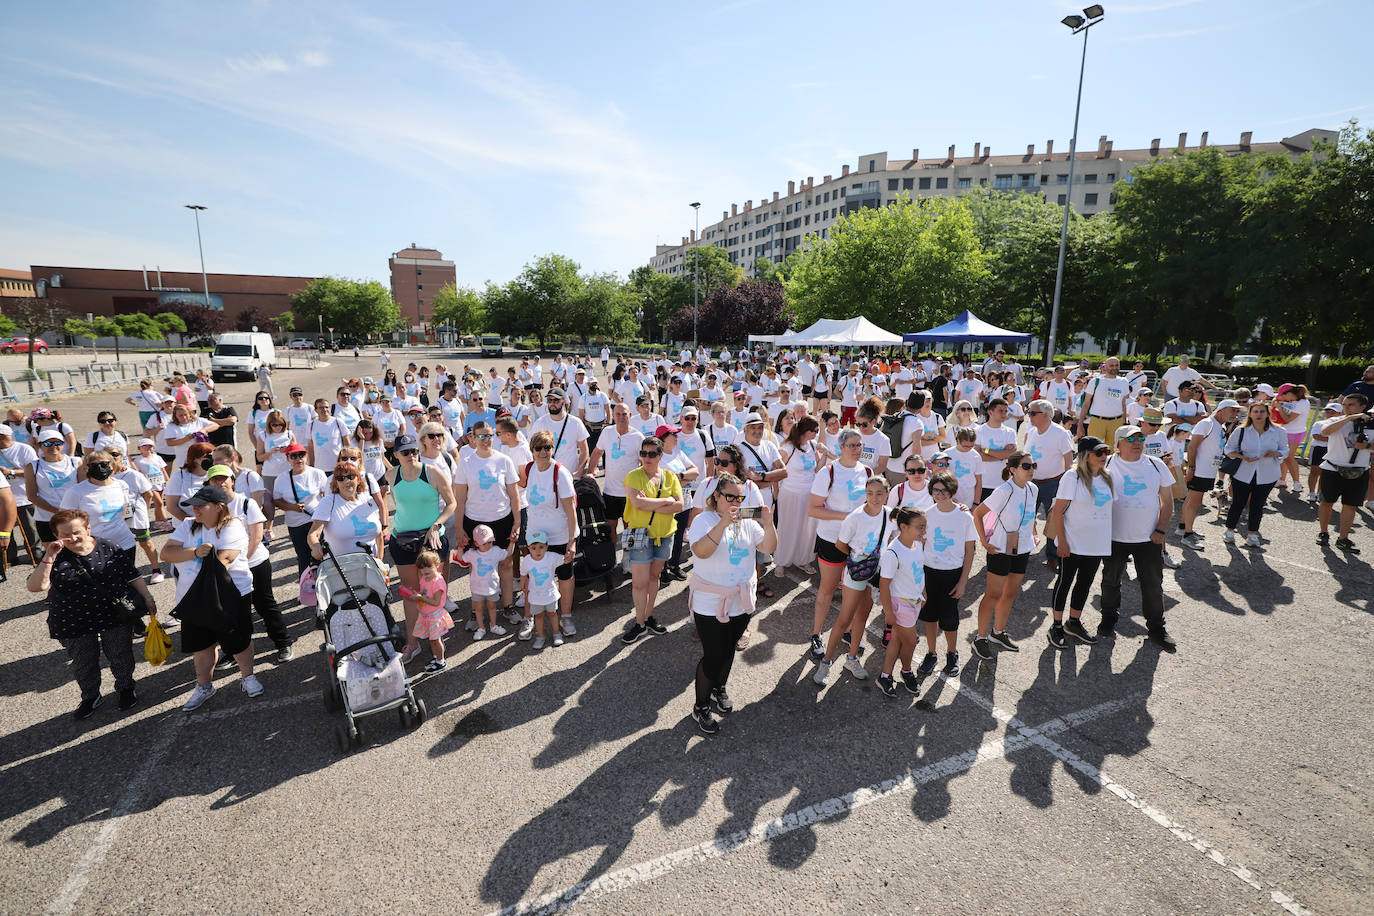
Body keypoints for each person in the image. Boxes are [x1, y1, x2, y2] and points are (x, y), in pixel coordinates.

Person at [26, 508, 157, 718]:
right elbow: (37, 587)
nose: (72, 538)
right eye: (65, 535)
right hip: (73, 620)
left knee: (120, 654)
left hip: (113, 615)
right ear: (57, 536)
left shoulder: (108, 547)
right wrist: (49, 555)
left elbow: (131, 575)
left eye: (77, 531)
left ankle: (125, 688)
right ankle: (90, 696)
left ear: (88, 528)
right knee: (83, 661)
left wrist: (147, 598)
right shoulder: (54, 556)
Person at [684, 472, 777, 734]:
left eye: (739, 497)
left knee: (728, 651)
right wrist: (723, 523)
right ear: (716, 496)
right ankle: (700, 706)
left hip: (740, 599)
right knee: (713, 655)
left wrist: (769, 525)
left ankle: (718, 689)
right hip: (710, 601)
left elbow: (769, 548)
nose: (735, 502)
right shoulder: (704, 520)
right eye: (730, 497)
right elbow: (701, 551)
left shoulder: (747, 522)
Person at [160, 485, 263, 710]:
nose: (195, 510)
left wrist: (186, 554)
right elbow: (166, 553)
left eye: (200, 506)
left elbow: (223, 561)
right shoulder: (187, 525)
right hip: (193, 597)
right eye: (193, 506)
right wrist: (194, 552)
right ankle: (204, 687)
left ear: (218, 507)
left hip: (230, 596)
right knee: (202, 646)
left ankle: (248, 678)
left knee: (238, 641)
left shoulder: (233, 526)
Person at [1099, 426, 1177, 651]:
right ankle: (1108, 620)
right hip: (1114, 538)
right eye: (1130, 438)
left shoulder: (1156, 464)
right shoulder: (1106, 465)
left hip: (1149, 539)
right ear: (1118, 444)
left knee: (1153, 585)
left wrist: (1160, 531)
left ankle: (1156, 628)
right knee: (1110, 581)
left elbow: (1167, 502)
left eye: (1140, 438)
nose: (1137, 442)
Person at [814, 476, 892, 685]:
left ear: (887, 494)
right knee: (844, 619)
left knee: (862, 617)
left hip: (876, 573)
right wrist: (856, 556)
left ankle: (852, 658)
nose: (874, 498)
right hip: (856, 572)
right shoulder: (855, 517)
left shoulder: (890, 514)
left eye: (879, 494)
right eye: (870, 493)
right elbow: (840, 544)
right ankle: (826, 662)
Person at [387, 434, 457, 648]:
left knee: (431, 589)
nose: (411, 455)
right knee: (410, 592)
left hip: (430, 540)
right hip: (402, 540)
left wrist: (436, 526)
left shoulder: (432, 473)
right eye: (406, 452)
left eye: (414, 451)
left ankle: (437, 642)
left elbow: (451, 503)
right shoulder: (391, 475)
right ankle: (412, 644)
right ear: (396, 454)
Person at [970, 451, 1039, 660]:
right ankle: (980, 638)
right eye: (1026, 466)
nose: (1031, 470)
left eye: (1033, 465)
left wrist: (1033, 533)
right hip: (999, 548)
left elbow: (1031, 514)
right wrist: (984, 541)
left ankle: (997, 633)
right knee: (993, 595)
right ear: (1013, 469)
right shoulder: (1004, 490)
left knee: (1010, 593)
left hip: (1021, 548)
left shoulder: (1033, 489)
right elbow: (978, 514)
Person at [1047, 438, 1114, 649]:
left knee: (1084, 584)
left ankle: (1073, 622)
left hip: (1096, 545)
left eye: (1105, 451)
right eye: (1098, 452)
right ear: (1085, 455)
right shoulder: (1072, 476)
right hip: (1073, 542)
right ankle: (1056, 626)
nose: (1103, 455)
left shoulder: (1108, 477)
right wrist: (1062, 542)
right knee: (1064, 582)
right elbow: (1058, 512)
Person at [620, 436, 684, 644]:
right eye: (644, 453)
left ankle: (648, 617)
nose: (647, 458)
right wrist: (666, 500)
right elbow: (637, 504)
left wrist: (651, 502)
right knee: (639, 583)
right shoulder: (633, 476)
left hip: (665, 535)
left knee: (654, 578)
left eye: (652, 454)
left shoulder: (670, 476)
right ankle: (639, 623)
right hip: (640, 536)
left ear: (660, 455)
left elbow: (679, 506)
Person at [452, 420, 522, 610]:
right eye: (481, 436)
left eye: (489, 436)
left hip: (502, 519)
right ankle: (477, 613)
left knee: (506, 564)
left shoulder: (504, 460)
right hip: (474, 521)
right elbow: (460, 500)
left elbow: (514, 496)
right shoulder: (466, 464)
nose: (486, 440)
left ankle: (508, 607)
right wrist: (459, 529)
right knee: (477, 567)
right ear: (472, 438)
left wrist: (517, 523)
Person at [518, 430, 579, 640]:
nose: (544, 452)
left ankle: (566, 616)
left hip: (559, 536)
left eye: (548, 447)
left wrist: (571, 541)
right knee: (533, 576)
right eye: (539, 448)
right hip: (535, 536)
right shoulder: (529, 468)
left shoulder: (560, 473)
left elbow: (571, 510)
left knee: (564, 576)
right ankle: (529, 617)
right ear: (532, 450)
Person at [920, 470, 975, 678]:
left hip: (952, 574)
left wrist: (963, 582)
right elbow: (921, 545)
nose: (940, 494)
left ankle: (952, 653)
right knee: (929, 616)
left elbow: (970, 551)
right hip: (929, 573)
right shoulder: (927, 514)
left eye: (944, 490)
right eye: (935, 490)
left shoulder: (964, 516)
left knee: (950, 620)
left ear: (952, 491)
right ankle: (931, 653)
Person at [875, 506, 928, 697]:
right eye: (920, 527)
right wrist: (889, 613)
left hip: (914, 601)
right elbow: (884, 585)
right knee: (911, 642)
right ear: (904, 527)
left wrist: (923, 592)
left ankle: (885, 675)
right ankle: (906, 671)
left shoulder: (918, 544)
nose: (924, 531)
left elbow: (919, 570)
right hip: (901, 604)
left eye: (924, 526)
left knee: (896, 640)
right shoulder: (892, 553)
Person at [1221, 403, 1288, 547]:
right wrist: (1241, 457)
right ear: (1250, 414)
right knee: (1238, 503)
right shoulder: (1241, 430)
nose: (1259, 414)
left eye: (1262, 411)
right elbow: (1228, 449)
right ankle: (1229, 531)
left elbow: (1285, 450)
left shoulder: (1279, 431)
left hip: (1267, 475)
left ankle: (1252, 534)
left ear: (1268, 414)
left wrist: (1276, 453)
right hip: (1242, 473)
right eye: (1255, 411)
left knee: (1257, 505)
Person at [1178, 399, 1241, 550]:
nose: (1235, 414)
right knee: (1194, 502)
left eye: (1237, 411)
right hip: (1199, 470)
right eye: (1232, 410)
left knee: (1191, 501)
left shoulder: (1220, 426)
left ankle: (1182, 527)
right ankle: (1187, 535)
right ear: (1221, 410)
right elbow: (1192, 446)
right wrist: (1191, 468)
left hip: (1207, 470)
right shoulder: (1207, 423)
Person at [1314, 392, 1373, 552]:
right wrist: (1348, 418)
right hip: (1332, 468)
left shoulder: (1371, 423)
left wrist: (1367, 447)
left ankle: (1343, 538)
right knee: (1326, 503)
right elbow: (1325, 431)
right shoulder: (1336, 420)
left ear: (1362, 407)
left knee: (1350, 506)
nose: (1346, 408)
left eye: (1351, 405)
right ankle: (1323, 532)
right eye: (1345, 405)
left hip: (1359, 471)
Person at [1023, 398, 1075, 570]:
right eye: (1028, 412)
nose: (1028, 416)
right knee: (1025, 517)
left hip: (1054, 483)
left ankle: (1053, 556)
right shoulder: (1031, 432)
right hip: (1031, 483)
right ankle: (1024, 550)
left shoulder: (1060, 433)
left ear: (1045, 415)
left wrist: (1067, 485)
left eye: (1032, 413)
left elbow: (1069, 461)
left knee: (1053, 521)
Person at [60, 450, 138, 565]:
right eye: (94, 465)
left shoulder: (121, 485)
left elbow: (123, 513)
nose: (100, 468)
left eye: (104, 464)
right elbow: (63, 521)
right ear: (86, 468)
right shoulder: (75, 492)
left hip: (125, 543)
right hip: (95, 548)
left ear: (112, 465)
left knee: (128, 581)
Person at [775, 416, 823, 574]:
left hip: (809, 494)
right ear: (806, 431)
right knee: (787, 527)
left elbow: (816, 469)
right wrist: (776, 491)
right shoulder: (788, 447)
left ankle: (803, 560)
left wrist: (826, 454)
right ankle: (781, 561)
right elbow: (777, 471)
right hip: (790, 494)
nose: (817, 433)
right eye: (815, 431)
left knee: (807, 530)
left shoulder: (813, 445)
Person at [272, 444, 329, 575]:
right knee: (304, 558)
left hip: (317, 522)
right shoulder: (281, 479)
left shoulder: (317, 473)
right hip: (296, 524)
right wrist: (292, 507)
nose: (298, 459)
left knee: (325, 555)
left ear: (307, 455)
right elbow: (277, 501)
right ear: (287, 458)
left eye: (301, 455)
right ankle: (307, 590)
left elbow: (327, 497)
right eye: (293, 456)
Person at [401, 549, 452, 672]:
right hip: (426, 614)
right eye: (422, 568)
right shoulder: (425, 578)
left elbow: (436, 602)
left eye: (429, 566)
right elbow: (425, 594)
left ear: (437, 565)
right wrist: (416, 595)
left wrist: (420, 598)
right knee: (432, 640)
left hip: (434, 615)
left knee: (435, 640)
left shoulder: (437, 582)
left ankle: (441, 661)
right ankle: (436, 657)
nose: (425, 570)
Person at [26, 431, 82, 542]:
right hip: (47, 519)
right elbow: (32, 496)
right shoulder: (32, 466)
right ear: (40, 445)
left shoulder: (75, 462)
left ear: (63, 444)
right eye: (48, 444)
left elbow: (84, 489)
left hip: (74, 518)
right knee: (53, 555)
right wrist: (57, 512)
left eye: (58, 443)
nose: (53, 446)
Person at [459, 524, 508, 642]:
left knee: (492, 606)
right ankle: (481, 628)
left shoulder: (495, 551)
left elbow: (508, 553)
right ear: (476, 543)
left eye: (490, 542)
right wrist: (460, 547)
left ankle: (493, 625)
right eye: (484, 543)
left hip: (492, 587)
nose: (488, 545)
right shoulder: (472, 553)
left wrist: (512, 542)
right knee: (478, 609)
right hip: (477, 588)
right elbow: (461, 558)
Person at [530, 387, 589, 478]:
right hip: (546, 476)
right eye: (549, 400)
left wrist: (579, 471)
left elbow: (584, 450)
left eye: (556, 400)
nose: (552, 403)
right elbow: (530, 449)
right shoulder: (540, 423)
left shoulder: (575, 422)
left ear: (563, 401)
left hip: (570, 476)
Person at [520, 530, 565, 649]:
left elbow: (565, 559)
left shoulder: (551, 557)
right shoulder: (527, 560)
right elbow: (523, 573)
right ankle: (540, 636)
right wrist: (523, 584)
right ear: (528, 548)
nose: (537, 551)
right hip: (535, 596)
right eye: (533, 548)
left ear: (547, 546)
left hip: (550, 594)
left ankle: (556, 633)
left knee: (553, 614)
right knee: (538, 616)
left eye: (541, 547)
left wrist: (570, 554)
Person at [1077, 357, 1131, 442]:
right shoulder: (1095, 381)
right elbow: (1086, 404)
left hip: (1116, 422)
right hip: (1097, 421)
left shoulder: (1124, 381)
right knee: (1094, 451)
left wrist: (1124, 423)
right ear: (1105, 367)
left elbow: (1123, 403)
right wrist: (1080, 425)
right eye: (1111, 365)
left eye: (1117, 365)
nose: (1114, 367)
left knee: (1113, 451)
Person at [974, 399, 1018, 502]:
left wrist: (986, 450)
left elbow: (1011, 455)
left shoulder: (1010, 432)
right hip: (982, 483)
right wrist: (1001, 456)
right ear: (990, 412)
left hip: (1003, 483)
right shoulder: (978, 431)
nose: (1004, 414)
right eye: (1000, 411)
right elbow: (977, 456)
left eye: (1005, 411)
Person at [1271, 383, 1311, 493]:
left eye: (1283, 395)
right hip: (1285, 432)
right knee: (1284, 456)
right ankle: (1282, 480)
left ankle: (1297, 483)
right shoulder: (1291, 400)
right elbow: (1277, 398)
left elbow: (1288, 419)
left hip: (1295, 433)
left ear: (1289, 393)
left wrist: (1279, 407)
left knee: (1289, 457)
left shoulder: (1302, 403)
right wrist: (1276, 401)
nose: (1281, 397)